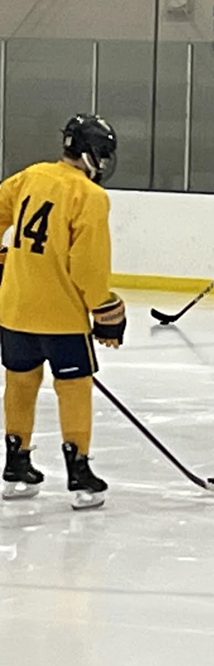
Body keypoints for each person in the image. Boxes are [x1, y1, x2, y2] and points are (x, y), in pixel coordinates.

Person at [0, 114, 125, 511]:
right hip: (62, 315)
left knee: (20, 383)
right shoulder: (89, 196)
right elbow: (88, 266)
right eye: (102, 154)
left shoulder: (32, 176)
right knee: (73, 387)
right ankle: (79, 470)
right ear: (90, 152)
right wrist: (105, 308)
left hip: (15, 307)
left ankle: (16, 463)